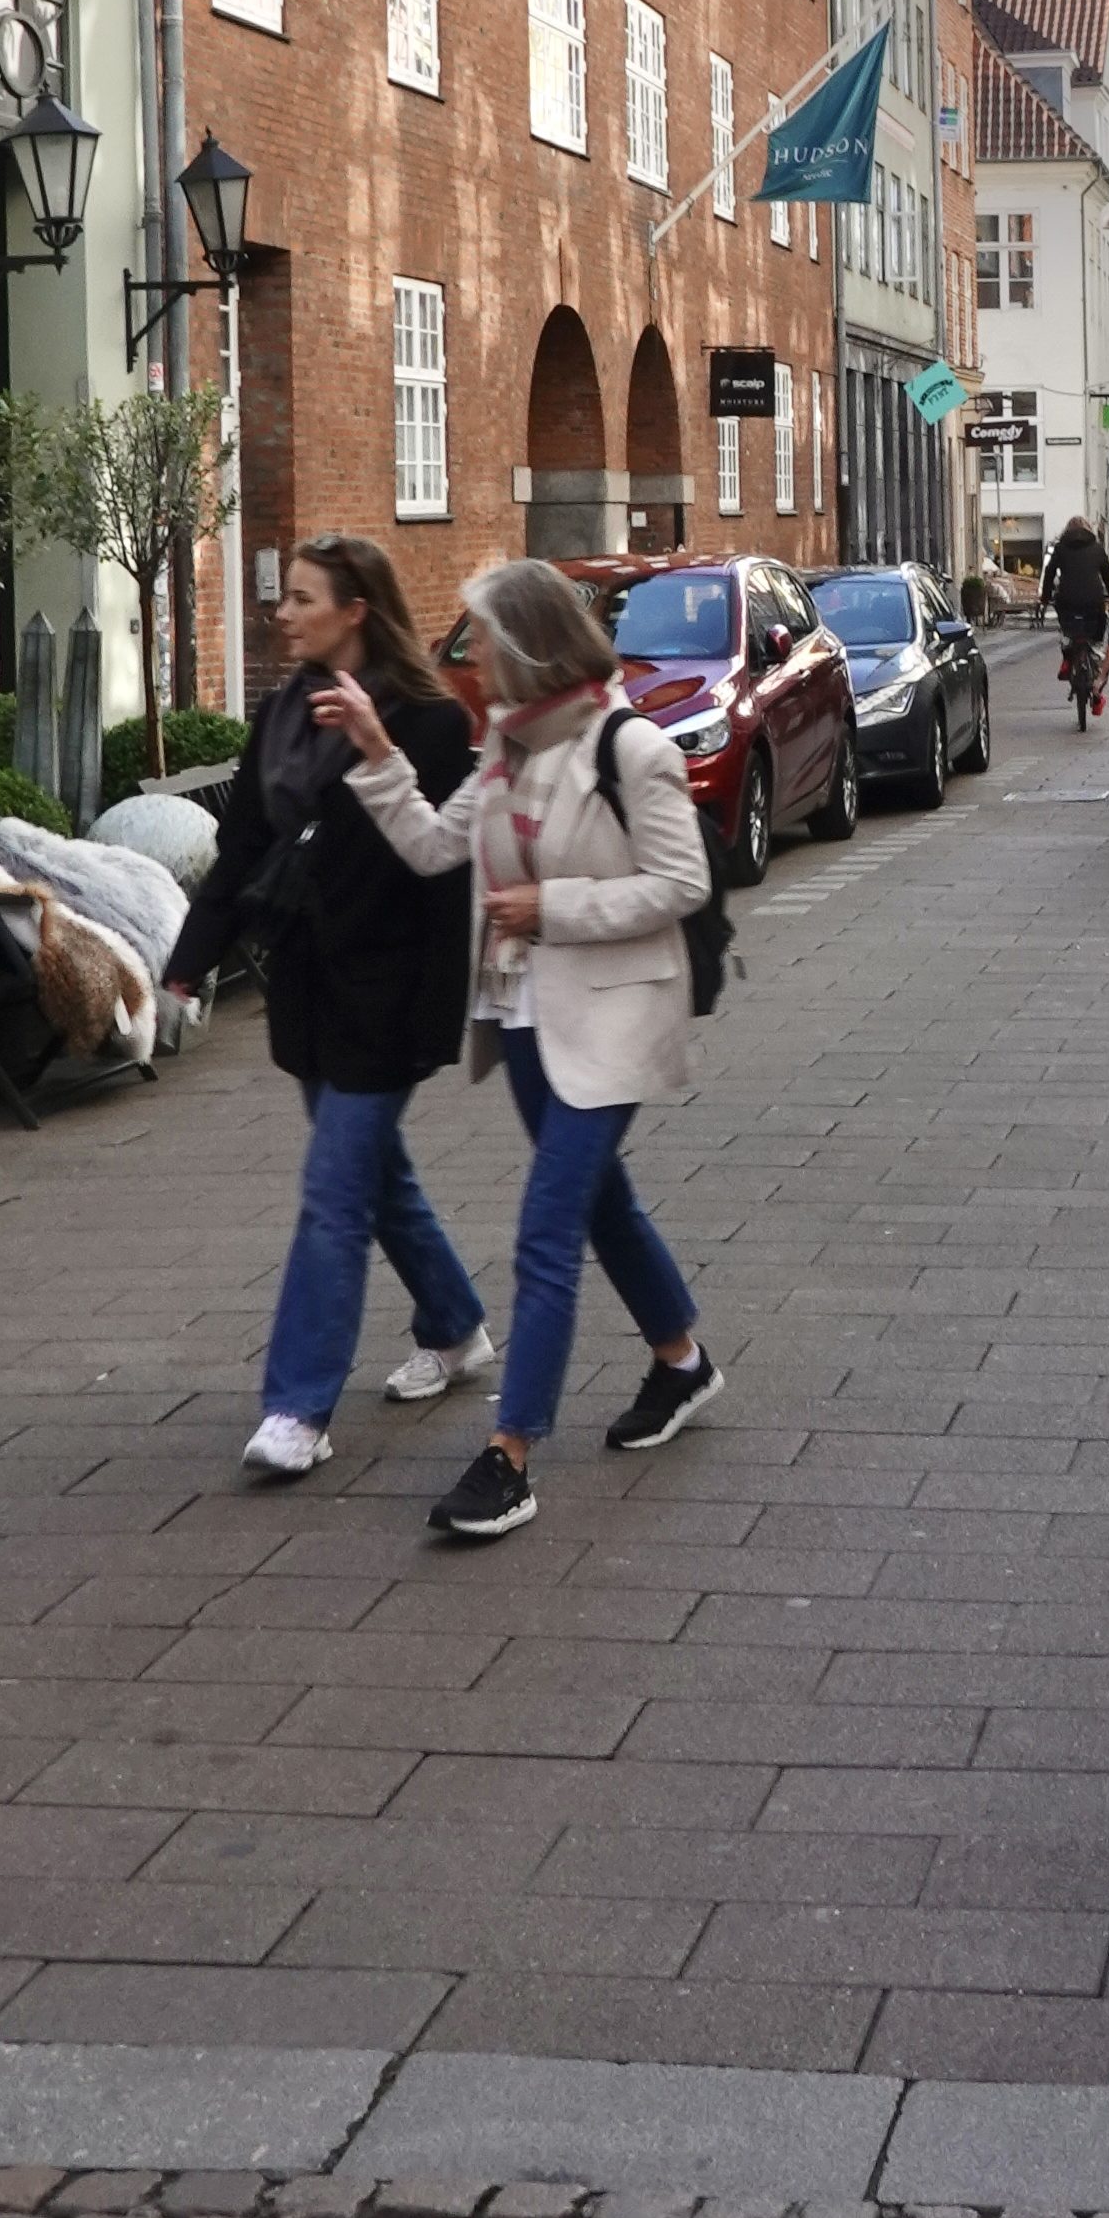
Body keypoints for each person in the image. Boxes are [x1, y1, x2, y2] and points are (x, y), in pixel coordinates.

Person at [317, 555, 720, 1542]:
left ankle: (510, 1456)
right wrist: (376, 750)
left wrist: (554, 907)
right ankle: (682, 1362)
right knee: (600, 1202)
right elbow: (430, 846)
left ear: (532, 646)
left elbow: (684, 883)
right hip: (526, 1018)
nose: (475, 659)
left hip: (615, 1014)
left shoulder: (630, 748)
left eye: (486, 640)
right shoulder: (504, 743)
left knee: (546, 1229)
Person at [164, 535, 485, 1483]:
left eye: (304, 599)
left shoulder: (428, 721)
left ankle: (298, 1408)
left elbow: (441, 874)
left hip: (392, 993)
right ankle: (456, 1326)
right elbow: (241, 850)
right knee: (376, 1178)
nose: (284, 613)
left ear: (356, 611)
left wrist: (441, 1010)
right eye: (287, 598)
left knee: (334, 1194)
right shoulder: (280, 713)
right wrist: (186, 967)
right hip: (305, 984)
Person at [1044, 514, 1109, 725]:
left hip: (1067, 601)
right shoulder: (1096, 548)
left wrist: (1045, 596)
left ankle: (1068, 658)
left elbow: (1049, 572)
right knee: (1097, 637)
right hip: (1093, 601)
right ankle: (1095, 674)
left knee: (1067, 630)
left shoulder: (1061, 548)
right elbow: (1107, 574)